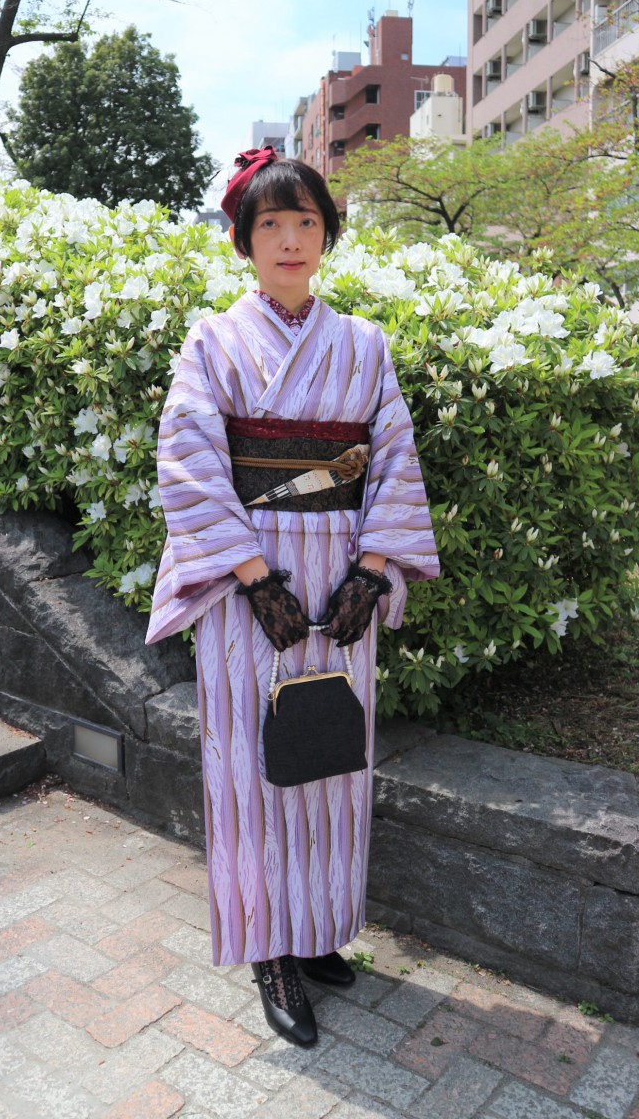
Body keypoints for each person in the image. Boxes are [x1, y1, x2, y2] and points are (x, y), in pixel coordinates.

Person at [146, 149, 439, 1046]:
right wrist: (252, 578)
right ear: (243, 240)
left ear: (327, 235)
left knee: (330, 759)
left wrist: (374, 571)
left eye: (306, 221)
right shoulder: (212, 342)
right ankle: (267, 945)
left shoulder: (365, 345)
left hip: (341, 577)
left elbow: (394, 460)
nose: (289, 239)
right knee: (251, 764)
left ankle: (316, 930)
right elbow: (189, 463)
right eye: (269, 223)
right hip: (250, 585)